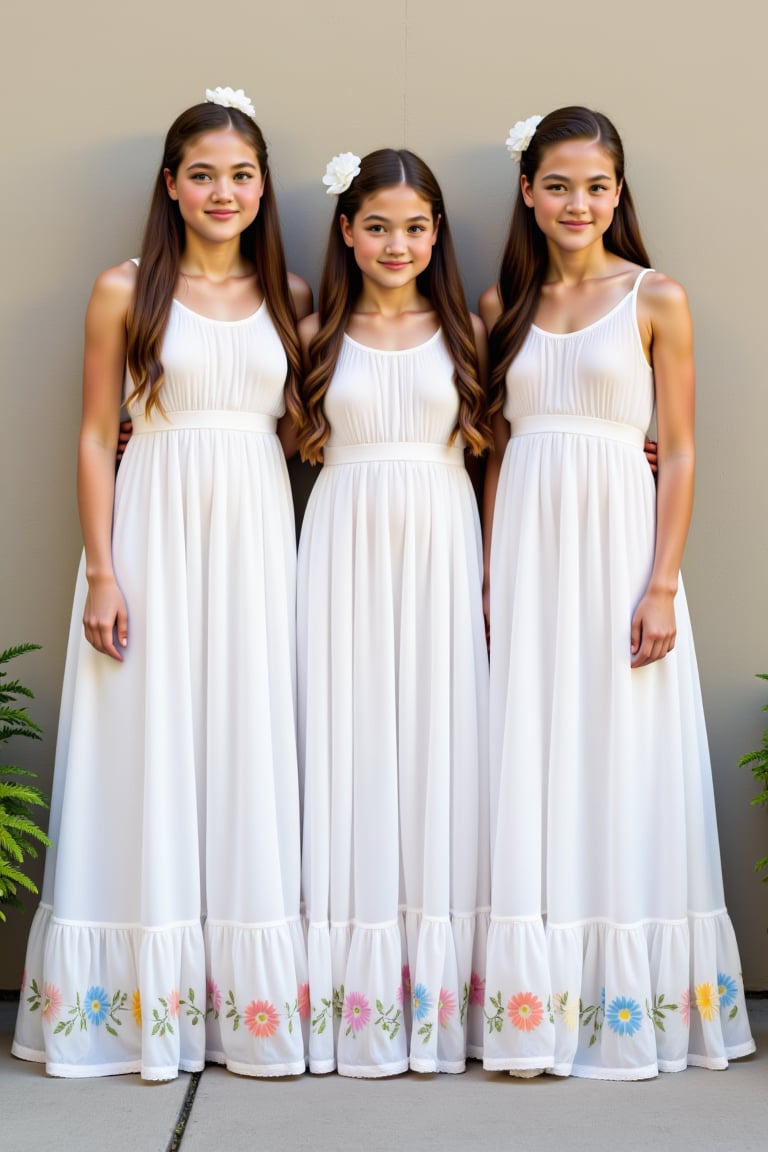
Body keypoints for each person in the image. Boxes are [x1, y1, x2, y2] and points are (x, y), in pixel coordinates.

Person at [12, 88, 312, 1080]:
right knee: (148, 740)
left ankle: (240, 1006)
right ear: (171, 187)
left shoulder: (294, 297)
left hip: (257, 533)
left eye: (240, 174)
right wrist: (103, 571)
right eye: (202, 174)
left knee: (243, 742)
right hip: (148, 529)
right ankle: (133, 1007)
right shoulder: (124, 288)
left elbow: (328, 420)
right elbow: (98, 436)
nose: (222, 191)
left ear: (262, 186)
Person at [480, 106, 755, 1080]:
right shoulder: (497, 307)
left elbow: (677, 452)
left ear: (618, 193)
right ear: (528, 191)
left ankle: (620, 1003)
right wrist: (481, 568)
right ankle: (533, 1001)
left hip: (620, 556)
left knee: (619, 755)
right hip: (523, 555)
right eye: (558, 184)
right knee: (531, 757)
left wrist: (662, 585)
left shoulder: (655, 298)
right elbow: (492, 451)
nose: (578, 203)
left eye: (597, 186)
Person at [295, 149, 491, 1077]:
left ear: (436, 233)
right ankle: (348, 990)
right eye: (377, 225)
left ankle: (440, 990)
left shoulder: (467, 330)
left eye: (415, 227)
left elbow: (515, 443)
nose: (397, 243)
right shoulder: (312, 330)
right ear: (346, 231)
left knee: (439, 745)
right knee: (351, 740)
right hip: (340, 547)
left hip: (444, 548)